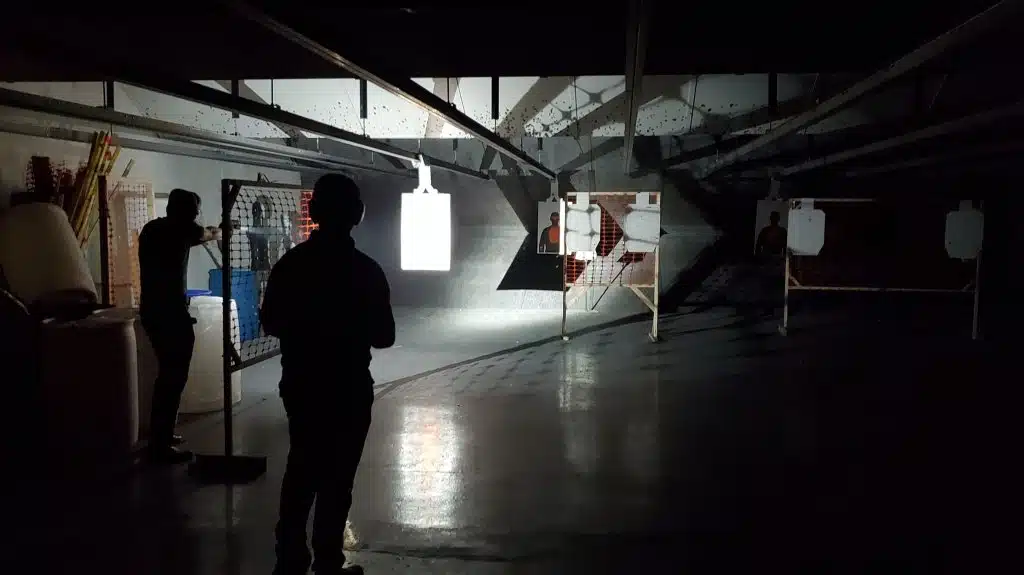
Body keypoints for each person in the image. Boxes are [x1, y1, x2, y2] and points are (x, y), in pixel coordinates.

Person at [261, 173, 395, 575]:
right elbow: (385, 336)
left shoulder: (291, 265)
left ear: (314, 210)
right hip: (348, 389)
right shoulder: (367, 271)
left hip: (301, 385)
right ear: (358, 214)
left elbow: (271, 322)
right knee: (338, 478)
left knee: (301, 470)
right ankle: (327, 562)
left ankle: (289, 557)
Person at [138, 189, 221, 464]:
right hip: (171, 314)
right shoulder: (182, 230)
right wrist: (223, 230)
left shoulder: (152, 229)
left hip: (152, 312)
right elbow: (206, 234)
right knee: (173, 377)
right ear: (188, 212)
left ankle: (162, 435)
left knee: (168, 376)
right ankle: (159, 445)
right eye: (195, 211)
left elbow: (194, 235)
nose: (196, 216)